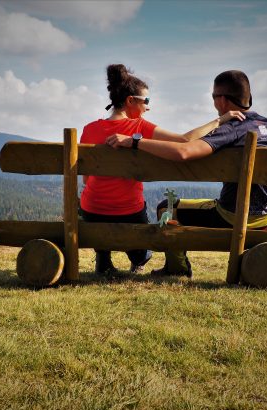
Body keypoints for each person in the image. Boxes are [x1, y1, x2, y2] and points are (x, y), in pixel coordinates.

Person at [106, 70, 267, 277]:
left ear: (221, 100)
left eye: (213, 97)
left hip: (231, 216)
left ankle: (177, 269)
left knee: (166, 207)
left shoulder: (231, 129)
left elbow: (184, 152)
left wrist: (135, 141)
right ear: (249, 98)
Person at [80, 64, 244, 276]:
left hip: (92, 211)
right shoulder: (138, 126)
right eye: (146, 101)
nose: (148, 107)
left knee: (96, 203)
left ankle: (103, 257)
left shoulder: (89, 129)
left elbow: (85, 181)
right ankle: (138, 257)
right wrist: (221, 119)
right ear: (130, 101)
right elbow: (185, 139)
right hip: (128, 211)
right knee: (143, 253)